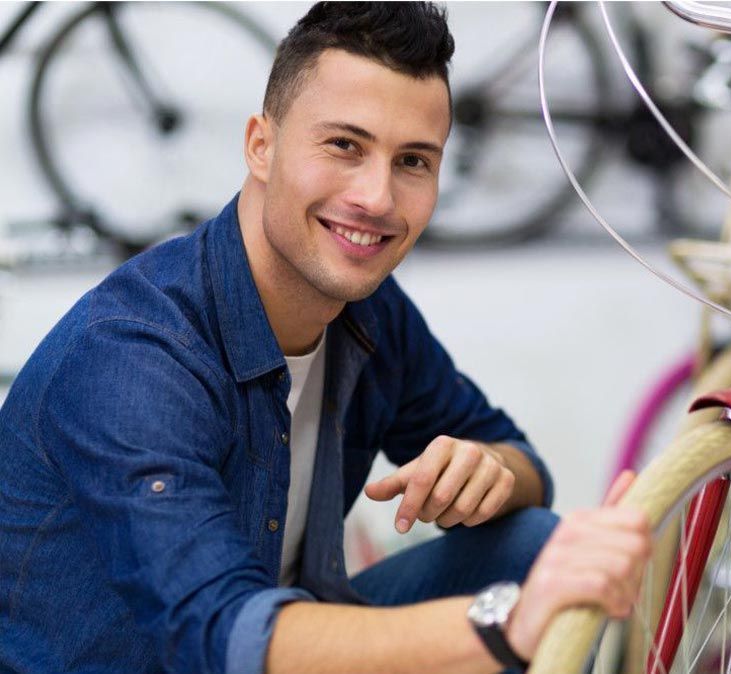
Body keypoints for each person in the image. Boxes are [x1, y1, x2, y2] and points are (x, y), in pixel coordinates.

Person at [0, 3, 652, 673]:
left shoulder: (364, 309)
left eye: (413, 161)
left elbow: (520, 463)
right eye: (345, 145)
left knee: (534, 549)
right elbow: (219, 632)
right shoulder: (133, 356)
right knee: (513, 607)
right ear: (261, 144)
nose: (377, 197)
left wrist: (491, 473)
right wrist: (502, 625)